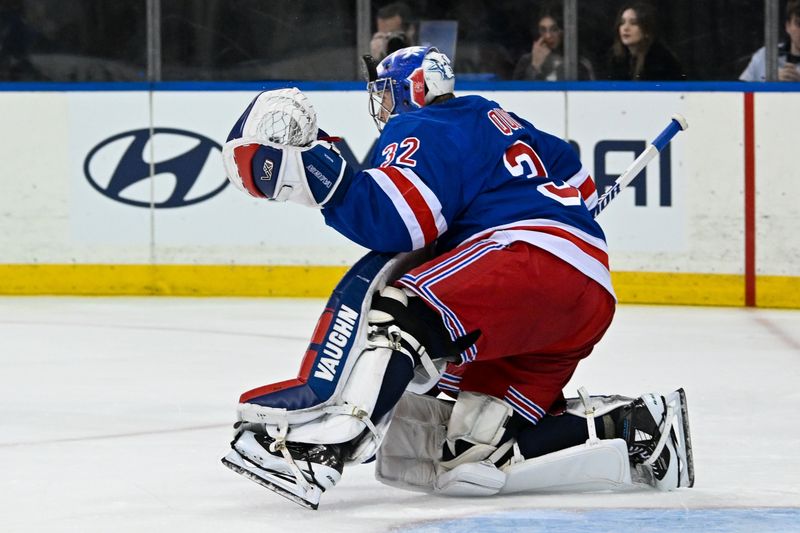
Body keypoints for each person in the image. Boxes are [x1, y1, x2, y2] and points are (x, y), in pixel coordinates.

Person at [219, 46, 694, 509]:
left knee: (400, 313)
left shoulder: (422, 125)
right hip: (585, 293)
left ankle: (321, 452)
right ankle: (634, 426)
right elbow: (580, 184)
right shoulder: (502, 120)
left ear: (415, 88)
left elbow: (399, 220)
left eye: (387, 91)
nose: (383, 104)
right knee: (470, 456)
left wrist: (329, 184)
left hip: (524, 263)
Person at [605, 2, 685, 81]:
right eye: (622, 23)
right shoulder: (616, 59)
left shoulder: (662, 61)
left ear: (647, 30)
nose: (625, 28)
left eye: (633, 23)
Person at [512, 7, 595, 81]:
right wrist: (534, 66)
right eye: (543, 30)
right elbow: (518, 95)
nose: (548, 36)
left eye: (554, 29)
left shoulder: (579, 63)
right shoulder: (526, 61)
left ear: (562, 31)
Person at [740, 0, 800, 82]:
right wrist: (770, 85)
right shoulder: (765, 55)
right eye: (799, 24)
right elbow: (739, 91)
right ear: (787, 26)